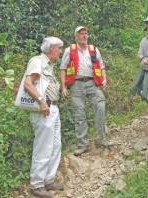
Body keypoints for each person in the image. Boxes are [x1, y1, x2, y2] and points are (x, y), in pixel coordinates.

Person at [59, 26, 114, 156]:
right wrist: (63, 87)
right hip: (76, 84)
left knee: (100, 105)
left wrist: (104, 80)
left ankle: (100, 139)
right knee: (79, 113)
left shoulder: (93, 49)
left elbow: (101, 66)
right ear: (76, 37)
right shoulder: (69, 50)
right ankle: (83, 144)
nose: (84, 36)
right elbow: (63, 68)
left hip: (92, 83)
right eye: (81, 34)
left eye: (85, 33)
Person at [24, 37, 64, 198]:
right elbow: (28, 83)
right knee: (43, 146)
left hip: (52, 108)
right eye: (59, 48)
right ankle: (36, 185)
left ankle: (48, 179)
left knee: (55, 145)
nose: (60, 51)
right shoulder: (37, 61)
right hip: (43, 109)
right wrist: (41, 102)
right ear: (51, 48)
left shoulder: (49, 64)